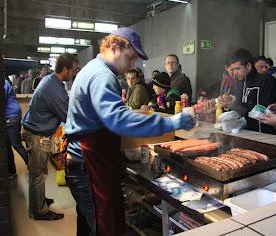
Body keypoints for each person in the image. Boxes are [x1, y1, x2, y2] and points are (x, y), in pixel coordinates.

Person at [64, 27, 194, 236]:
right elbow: (119, 120)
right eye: (130, 57)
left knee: (89, 224)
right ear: (114, 47)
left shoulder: (93, 69)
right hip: (88, 164)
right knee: (103, 227)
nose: (132, 64)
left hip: (84, 161)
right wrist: (173, 123)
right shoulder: (102, 76)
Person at [22, 53, 79, 220]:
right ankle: (38, 211)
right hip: (38, 134)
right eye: (74, 70)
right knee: (38, 174)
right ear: (65, 69)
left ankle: (38, 200)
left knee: (40, 172)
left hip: (36, 130)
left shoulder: (51, 81)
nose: (75, 73)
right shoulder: (53, 88)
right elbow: (68, 117)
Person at [224, 48, 276, 133]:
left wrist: (234, 105)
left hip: (264, 135)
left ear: (248, 66)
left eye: (238, 69)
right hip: (243, 133)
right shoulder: (237, 83)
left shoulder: (266, 81)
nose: (234, 73)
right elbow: (235, 109)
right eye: (233, 69)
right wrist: (227, 104)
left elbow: (265, 111)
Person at [5, 79, 29, 179]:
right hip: (8, 117)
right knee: (6, 146)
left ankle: (33, 169)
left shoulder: (3, 82)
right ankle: (12, 172)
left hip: (11, 116)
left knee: (16, 144)